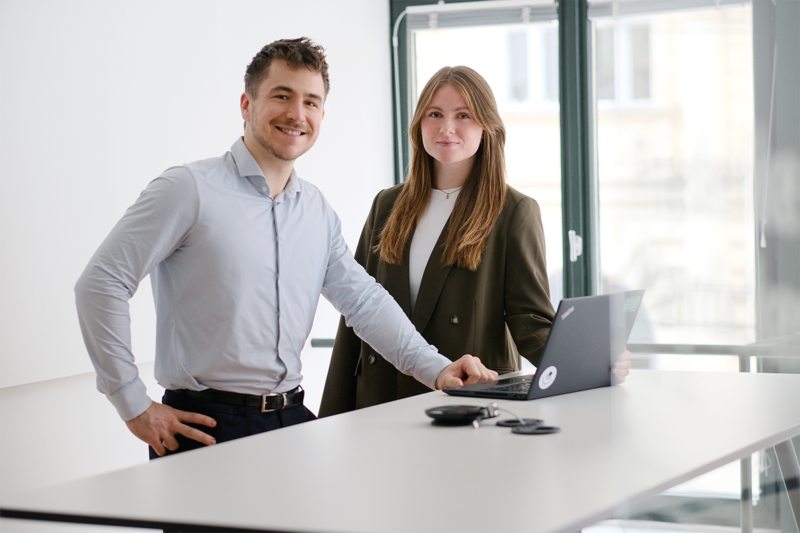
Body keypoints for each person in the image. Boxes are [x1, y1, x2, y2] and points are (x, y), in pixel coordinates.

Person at [75, 38, 497, 459]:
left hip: (290, 421)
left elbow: (364, 302)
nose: (297, 114)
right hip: (204, 428)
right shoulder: (188, 190)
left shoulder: (315, 210)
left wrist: (438, 369)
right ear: (246, 104)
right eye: (282, 96)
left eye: (311, 102)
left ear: (322, 115)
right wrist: (133, 405)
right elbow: (101, 283)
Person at [320, 66, 631, 416]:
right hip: (379, 398)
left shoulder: (514, 211)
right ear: (419, 125)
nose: (446, 128)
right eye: (434, 114)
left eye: (463, 115)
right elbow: (356, 315)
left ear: (487, 127)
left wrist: (592, 362)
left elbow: (530, 321)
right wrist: (331, 414)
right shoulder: (387, 205)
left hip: (467, 401)